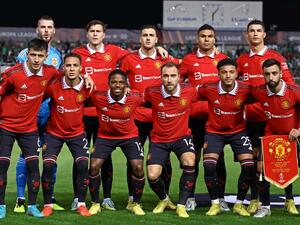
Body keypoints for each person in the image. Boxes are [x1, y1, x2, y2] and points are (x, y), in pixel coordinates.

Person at [72, 20, 168, 211]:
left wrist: (161, 49)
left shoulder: (115, 51)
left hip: (108, 113)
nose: (95, 34)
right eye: (91, 31)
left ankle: (106, 197)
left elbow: (139, 53)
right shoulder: (78, 54)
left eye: (98, 31)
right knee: (81, 158)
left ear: (104, 34)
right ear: (87, 34)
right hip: (85, 111)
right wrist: (83, 74)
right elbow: (69, 68)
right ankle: (78, 197)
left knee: (104, 159)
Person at [237, 19, 295, 214]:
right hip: (253, 121)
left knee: (284, 159)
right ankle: (255, 199)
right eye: (251, 31)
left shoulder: (275, 57)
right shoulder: (241, 60)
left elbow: (289, 86)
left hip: (276, 119)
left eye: (258, 31)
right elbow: (237, 89)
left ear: (264, 35)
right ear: (247, 35)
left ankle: (289, 199)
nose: (254, 34)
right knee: (256, 161)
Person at [120, 24, 179, 210]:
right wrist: (125, 87)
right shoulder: (129, 59)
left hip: (159, 118)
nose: (147, 38)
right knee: (134, 159)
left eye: (151, 35)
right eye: (144, 35)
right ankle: (132, 198)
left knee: (165, 160)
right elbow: (117, 80)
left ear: (156, 39)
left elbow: (183, 68)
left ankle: (165, 197)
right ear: (140, 38)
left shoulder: (164, 59)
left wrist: (167, 55)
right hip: (136, 117)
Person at [0, 38, 60, 218]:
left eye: (40, 56)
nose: (36, 59)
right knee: (2, 165)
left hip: (29, 128)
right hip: (7, 126)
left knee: (33, 166)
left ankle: (32, 206)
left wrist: (86, 76)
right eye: (32, 55)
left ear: (46, 56)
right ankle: (1, 206)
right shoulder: (12, 73)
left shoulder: (50, 72)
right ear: (27, 54)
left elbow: (68, 76)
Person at [15, 15, 64, 213]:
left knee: (51, 156)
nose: (45, 30)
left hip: (51, 115)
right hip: (30, 115)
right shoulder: (23, 54)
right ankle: (20, 200)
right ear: (37, 29)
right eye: (42, 27)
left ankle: (49, 200)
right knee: (26, 156)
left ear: (53, 31)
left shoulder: (57, 55)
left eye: (49, 27)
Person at [179, 24, 229, 211]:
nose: (206, 39)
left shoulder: (223, 59)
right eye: (203, 36)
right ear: (197, 39)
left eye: (210, 36)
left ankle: (220, 198)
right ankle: (190, 197)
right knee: (193, 158)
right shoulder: (189, 60)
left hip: (216, 119)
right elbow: (177, 81)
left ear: (214, 39)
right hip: (193, 119)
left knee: (218, 159)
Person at [198, 58, 254, 217]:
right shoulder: (208, 88)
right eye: (224, 72)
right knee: (209, 165)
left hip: (238, 131)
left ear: (237, 73)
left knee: (249, 165)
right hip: (214, 132)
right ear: (219, 74)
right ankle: (215, 203)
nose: (228, 75)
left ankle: (239, 204)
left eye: (231, 72)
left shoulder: (247, 89)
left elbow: (265, 96)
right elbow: (187, 92)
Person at [88, 69, 145, 216]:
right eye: (114, 82)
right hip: (105, 137)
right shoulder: (98, 97)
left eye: (121, 82)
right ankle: (95, 203)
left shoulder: (135, 97)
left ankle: (136, 203)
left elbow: (153, 101)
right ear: (108, 84)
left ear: (126, 84)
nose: (117, 85)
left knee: (138, 167)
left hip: (129, 136)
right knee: (94, 166)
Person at [41, 53, 92, 217]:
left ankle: (81, 204)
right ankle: (48, 204)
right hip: (54, 133)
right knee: (48, 165)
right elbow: (36, 99)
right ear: (63, 68)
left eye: (75, 66)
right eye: (68, 65)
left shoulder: (87, 87)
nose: (71, 69)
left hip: (77, 133)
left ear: (80, 68)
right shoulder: (53, 86)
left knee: (83, 165)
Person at [145, 62, 196, 218]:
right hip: (159, 139)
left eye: (173, 76)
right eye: (166, 76)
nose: (169, 80)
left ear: (179, 78)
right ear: (161, 77)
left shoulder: (190, 90)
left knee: (189, 161)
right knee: (153, 175)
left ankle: (181, 205)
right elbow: (135, 100)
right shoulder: (151, 92)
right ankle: (164, 199)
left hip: (182, 137)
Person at [251, 58, 300, 218]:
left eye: (274, 73)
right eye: (267, 74)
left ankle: (290, 201)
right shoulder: (259, 91)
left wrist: (299, 129)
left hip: (293, 137)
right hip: (270, 136)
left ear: (281, 74)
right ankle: (265, 206)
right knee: (261, 168)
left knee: (289, 168)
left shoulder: (294, 91)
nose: (270, 77)